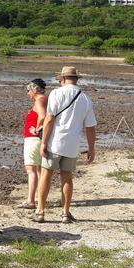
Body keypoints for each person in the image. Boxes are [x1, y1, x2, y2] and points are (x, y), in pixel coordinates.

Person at [33, 66, 97, 224]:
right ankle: (65, 213)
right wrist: (91, 148)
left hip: (55, 143)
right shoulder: (85, 98)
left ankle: (40, 212)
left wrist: (44, 143)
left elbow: (49, 119)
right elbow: (90, 127)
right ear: (76, 79)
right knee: (67, 177)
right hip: (72, 144)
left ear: (62, 79)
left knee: (46, 175)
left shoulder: (56, 93)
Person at [19, 78, 48, 210]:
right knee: (39, 170)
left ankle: (31, 200)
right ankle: (40, 199)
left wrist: (37, 129)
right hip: (40, 140)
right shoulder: (46, 99)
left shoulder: (40, 100)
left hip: (34, 139)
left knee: (31, 170)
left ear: (35, 89)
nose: (27, 93)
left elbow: (42, 116)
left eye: (28, 90)